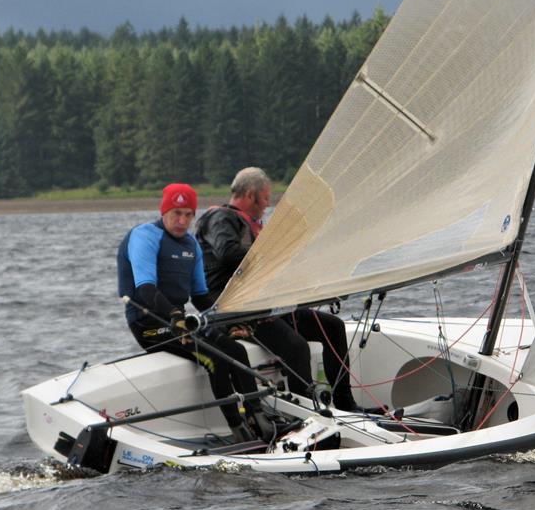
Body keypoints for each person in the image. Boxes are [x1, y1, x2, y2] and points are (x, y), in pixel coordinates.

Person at [195, 167, 363, 411]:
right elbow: (227, 253)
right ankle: (306, 414)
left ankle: (345, 403)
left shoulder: (250, 223)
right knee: (296, 347)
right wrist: (273, 252)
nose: (267, 204)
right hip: (237, 309)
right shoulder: (221, 218)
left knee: (333, 327)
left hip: (263, 304)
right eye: (265, 198)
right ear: (251, 194)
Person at [117, 182, 272, 443]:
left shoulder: (191, 244)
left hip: (179, 321)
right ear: (163, 211)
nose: (182, 221)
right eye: (176, 213)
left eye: (188, 214)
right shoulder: (145, 236)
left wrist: (228, 321)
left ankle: (258, 418)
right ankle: (239, 431)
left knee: (237, 350)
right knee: (216, 359)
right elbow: (145, 290)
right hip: (149, 322)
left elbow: (201, 297)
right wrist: (175, 316)